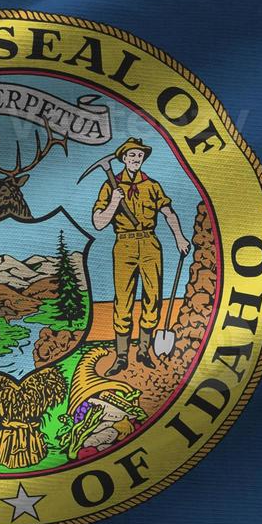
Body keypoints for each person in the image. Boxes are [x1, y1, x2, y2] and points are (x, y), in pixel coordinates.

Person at [91, 137, 192, 374]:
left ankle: (144, 352)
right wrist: (114, 202)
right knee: (123, 302)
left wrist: (179, 237)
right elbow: (98, 223)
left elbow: (168, 213)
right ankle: (121, 357)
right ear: (123, 159)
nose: (136, 159)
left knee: (153, 298)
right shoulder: (110, 187)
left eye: (139, 156)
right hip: (123, 245)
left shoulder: (152, 185)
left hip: (150, 244)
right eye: (131, 155)